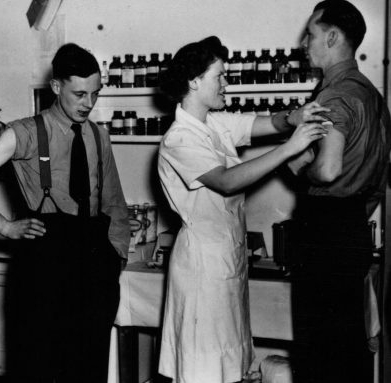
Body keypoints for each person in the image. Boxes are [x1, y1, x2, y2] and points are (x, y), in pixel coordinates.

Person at [0, 43, 129, 382]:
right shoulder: (26, 132)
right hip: (45, 262)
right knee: (41, 363)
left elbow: (113, 201)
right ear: (57, 87)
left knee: (89, 364)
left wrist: (115, 254)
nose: (88, 104)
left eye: (95, 94)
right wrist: (4, 226)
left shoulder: (98, 135)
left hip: (93, 262)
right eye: (79, 94)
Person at [156, 36, 328, 383]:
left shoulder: (212, 124)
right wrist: (290, 148)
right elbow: (226, 181)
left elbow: (260, 124)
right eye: (219, 76)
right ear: (194, 81)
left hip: (226, 261)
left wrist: (295, 117)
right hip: (202, 269)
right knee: (203, 369)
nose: (226, 83)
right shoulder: (179, 138)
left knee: (230, 366)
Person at [286, 1, 391, 381]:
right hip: (353, 230)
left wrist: (299, 166)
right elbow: (377, 181)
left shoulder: (335, 95)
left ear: (332, 37)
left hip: (326, 234)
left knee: (319, 356)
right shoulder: (373, 98)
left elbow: (328, 169)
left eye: (310, 35)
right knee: (348, 352)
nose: (304, 44)